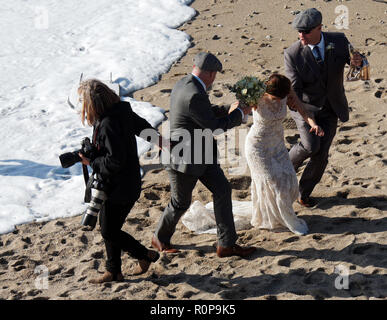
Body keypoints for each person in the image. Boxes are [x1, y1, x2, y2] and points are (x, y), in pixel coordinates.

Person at [152, 52, 256, 258]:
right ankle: (159, 238)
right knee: (180, 202)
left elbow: (204, 113)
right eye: (215, 74)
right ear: (209, 73)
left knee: (223, 190)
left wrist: (229, 108)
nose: (215, 78)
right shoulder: (194, 94)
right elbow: (213, 128)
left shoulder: (186, 83)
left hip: (202, 154)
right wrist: (240, 114)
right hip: (184, 159)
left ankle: (226, 244)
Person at [77, 79, 160, 283]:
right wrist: (160, 140)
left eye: (83, 101)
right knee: (109, 227)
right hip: (127, 182)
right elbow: (142, 127)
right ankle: (114, 271)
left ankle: (144, 255)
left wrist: (92, 161)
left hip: (119, 187)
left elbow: (115, 160)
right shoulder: (121, 111)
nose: (81, 106)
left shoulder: (107, 124)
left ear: (93, 104)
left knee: (108, 230)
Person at [284, 8, 362, 207]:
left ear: (319, 28)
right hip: (304, 107)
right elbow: (294, 94)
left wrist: (359, 64)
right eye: (299, 32)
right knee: (311, 146)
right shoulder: (292, 54)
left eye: (306, 32)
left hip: (332, 108)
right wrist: (309, 119)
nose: (301, 36)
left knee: (321, 155)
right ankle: (283, 168)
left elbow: (360, 73)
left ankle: (303, 193)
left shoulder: (339, 41)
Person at [245, 74, 324, 235]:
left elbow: (303, 110)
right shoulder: (255, 94)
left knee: (289, 179)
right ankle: (275, 218)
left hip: (277, 144)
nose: (280, 100)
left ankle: (279, 214)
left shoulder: (287, 91)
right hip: (258, 146)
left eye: (282, 97)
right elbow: (237, 110)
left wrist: (314, 124)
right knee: (272, 183)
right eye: (275, 97)